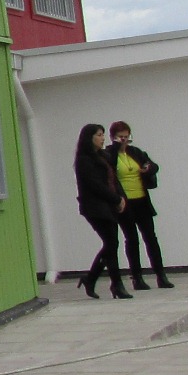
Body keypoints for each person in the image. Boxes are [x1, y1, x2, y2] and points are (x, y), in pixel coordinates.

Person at [106, 122, 175, 290]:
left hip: (142, 200)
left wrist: (148, 168)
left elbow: (154, 166)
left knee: (151, 238)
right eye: (120, 136)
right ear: (113, 137)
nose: (124, 139)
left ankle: (161, 275)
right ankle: (137, 277)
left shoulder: (135, 152)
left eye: (126, 136)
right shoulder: (109, 154)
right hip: (125, 202)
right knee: (132, 239)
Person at [73, 123, 130, 299]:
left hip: (109, 205)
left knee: (111, 244)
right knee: (111, 243)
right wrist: (115, 199)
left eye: (103, 134)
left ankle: (91, 279)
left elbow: (113, 180)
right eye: (99, 134)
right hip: (95, 207)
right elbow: (95, 185)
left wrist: (121, 198)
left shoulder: (103, 156)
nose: (102, 137)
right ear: (89, 137)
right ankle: (116, 285)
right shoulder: (84, 160)